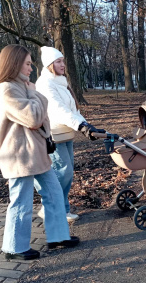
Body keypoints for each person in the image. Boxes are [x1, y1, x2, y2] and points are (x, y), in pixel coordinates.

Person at [0, 44, 79, 260]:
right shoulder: (7, 89)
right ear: (14, 63)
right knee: (21, 200)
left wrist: (34, 96)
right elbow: (34, 118)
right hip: (19, 155)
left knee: (55, 193)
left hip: (35, 153)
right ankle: (13, 247)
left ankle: (58, 236)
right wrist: (35, 94)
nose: (31, 69)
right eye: (27, 64)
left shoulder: (23, 87)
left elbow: (40, 120)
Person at [36, 46, 104, 221]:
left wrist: (86, 125)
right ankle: (49, 207)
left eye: (63, 61)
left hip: (65, 132)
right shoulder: (45, 84)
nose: (63, 64)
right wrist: (80, 125)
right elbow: (58, 109)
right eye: (58, 61)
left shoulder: (61, 82)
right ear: (50, 64)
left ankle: (62, 209)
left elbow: (71, 109)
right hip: (54, 133)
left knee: (67, 172)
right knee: (62, 172)